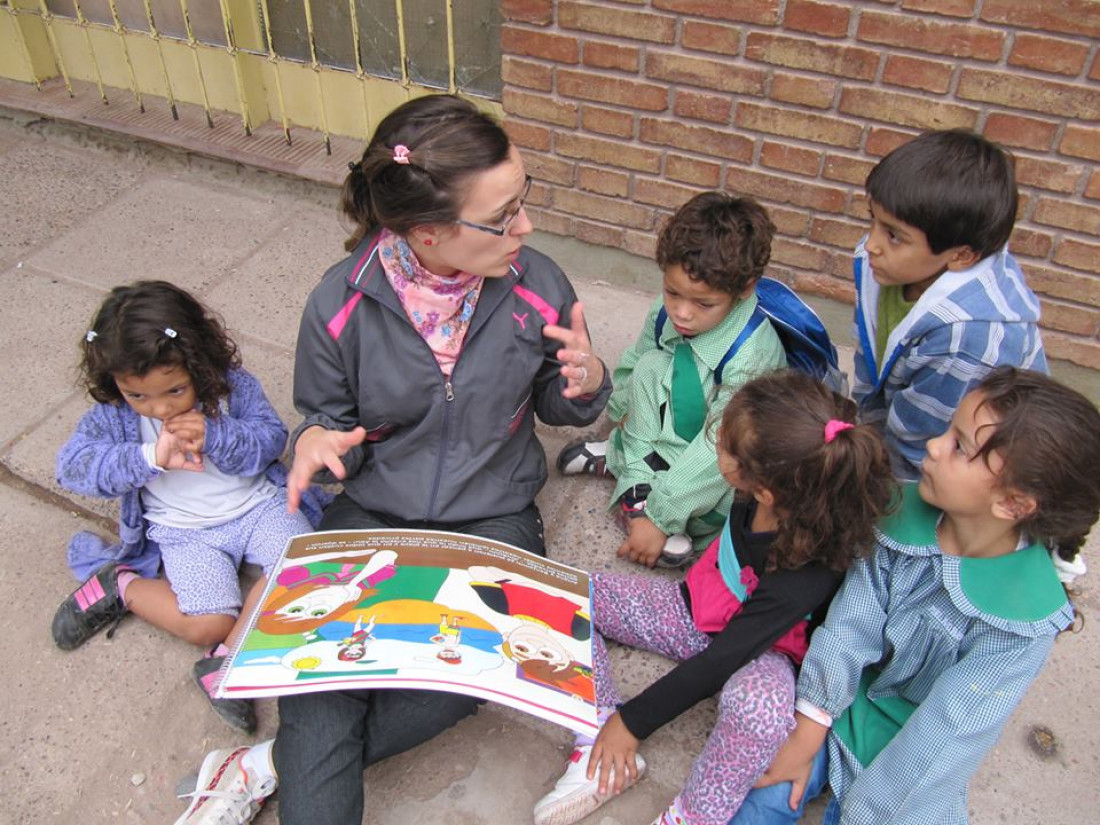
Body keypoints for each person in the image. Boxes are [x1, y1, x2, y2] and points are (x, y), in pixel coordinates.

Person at [175, 94, 611, 825]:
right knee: (319, 681)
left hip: (493, 514)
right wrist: (315, 437)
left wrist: (588, 383)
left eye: (523, 203)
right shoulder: (337, 303)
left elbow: (559, 402)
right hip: (371, 510)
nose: (526, 228)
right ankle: (302, 755)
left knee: (475, 671)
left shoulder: (540, 287)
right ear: (427, 232)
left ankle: (258, 764)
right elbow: (325, 415)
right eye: (503, 216)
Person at [731, 367, 1100, 825]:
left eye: (959, 447)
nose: (933, 445)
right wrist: (809, 724)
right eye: (949, 430)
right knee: (758, 801)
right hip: (842, 707)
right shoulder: (902, 519)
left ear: (1013, 504)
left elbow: (948, 732)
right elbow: (850, 628)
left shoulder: (1023, 622)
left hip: (921, 759)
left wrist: (866, 812)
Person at [534, 371, 896, 825]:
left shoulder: (809, 571)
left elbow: (723, 659)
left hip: (765, 658)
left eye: (722, 444)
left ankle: (693, 815)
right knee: (563, 595)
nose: (714, 444)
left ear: (764, 488)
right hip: (696, 608)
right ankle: (595, 736)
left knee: (757, 713)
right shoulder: (768, 492)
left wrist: (632, 724)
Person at [51, 280, 322, 733]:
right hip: (182, 531)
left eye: (175, 391)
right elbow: (72, 468)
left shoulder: (232, 389)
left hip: (258, 506)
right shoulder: (116, 415)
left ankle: (224, 663)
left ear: (199, 361)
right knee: (208, 624)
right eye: (139, 395)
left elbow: (270, 440)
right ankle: (123, 587)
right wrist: (146, 458)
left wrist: (216, 434)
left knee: (306, 569)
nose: (157, 408)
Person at [559, 192, 787, 568]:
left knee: (726, 482)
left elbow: (720, 449)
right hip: (679, 417)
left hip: (723, 451)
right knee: (648, 367)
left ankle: (642, 494)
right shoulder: (670, 309)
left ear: (744, 288)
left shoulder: (752, 357)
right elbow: (637, 361)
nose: (681, 312)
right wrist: (619, 412)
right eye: (672, 293)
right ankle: (634, 474)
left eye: (703, 304)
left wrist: (663, 517)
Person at [851, 128, 1046, 480]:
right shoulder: (884, 267)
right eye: (873, 219)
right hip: (914, 424)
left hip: (968, 461)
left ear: (960, 256)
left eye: (894, 235)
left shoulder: (966, 337)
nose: (871, 245)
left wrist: (876, 483)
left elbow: (924, 442)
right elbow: (869, 357)